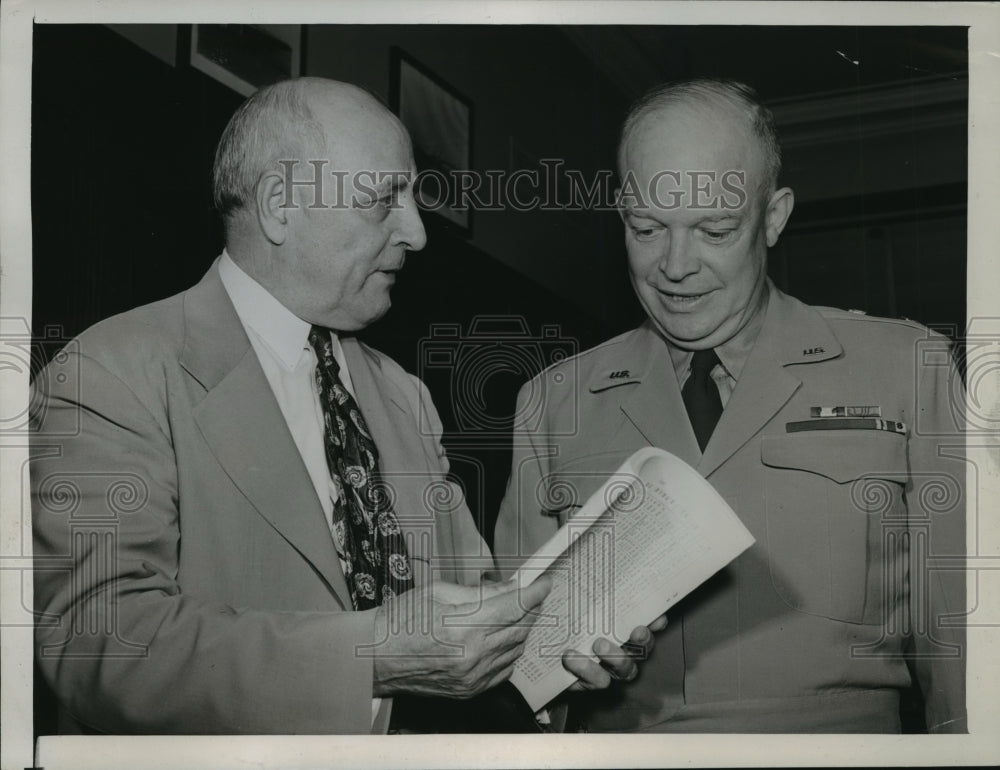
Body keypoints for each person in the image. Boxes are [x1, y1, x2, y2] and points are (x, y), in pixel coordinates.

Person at [30, 77, 656, 735]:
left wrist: (562, 644)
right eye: (383, 199)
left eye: (413, 199)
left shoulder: (402, 393)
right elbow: (101, 647)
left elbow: (470, 603)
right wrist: (373, 659)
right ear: (280, 205)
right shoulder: (108, 373)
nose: (415, 232)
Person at [494, 78, 967, 733]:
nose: (676, 265)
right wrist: (563, 673)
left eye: (713, 229)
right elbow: (515, 671)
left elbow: (963, 645)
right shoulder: (551, 401)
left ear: (773, 218)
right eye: (647, 228)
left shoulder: (904, 366)